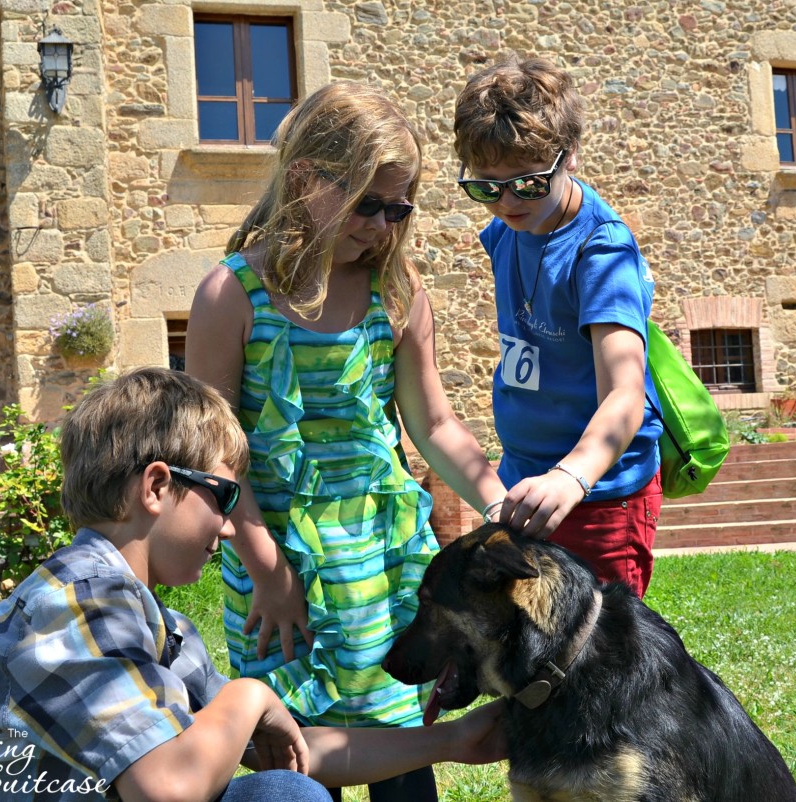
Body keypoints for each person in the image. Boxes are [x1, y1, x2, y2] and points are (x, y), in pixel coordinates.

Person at [0, 368, 506, 802]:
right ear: (157, 487)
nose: (226, 522)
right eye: (224, 496)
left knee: (281, 786)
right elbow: (170, 788)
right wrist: (247, 695)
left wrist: (453, 740)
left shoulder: (150, 622)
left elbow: (291, 747)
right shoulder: (78, 603)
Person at [185, 82, 507, 801]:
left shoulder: (398, 292)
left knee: (402, 752)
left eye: (401, 207)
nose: (385, 226)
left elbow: (435, 424)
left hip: (386, 557)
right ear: (306, 180)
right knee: (298, 753)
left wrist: (498, 501)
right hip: (278, 557)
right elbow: (211, 458)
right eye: (369, 204)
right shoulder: (232, 296)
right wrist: (268, 569)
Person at [452, 54, 664, 598]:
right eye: (486, 187)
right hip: (524, 480)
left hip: (602, 493)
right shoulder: (505, 230)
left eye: (526, 184)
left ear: (569, 155)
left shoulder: (602, 249)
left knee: (597, 657)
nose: (505, 203)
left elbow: (624, 393)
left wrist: (572, 475)